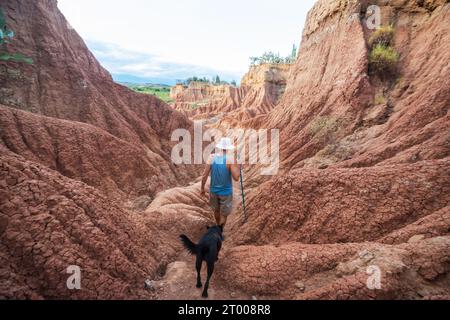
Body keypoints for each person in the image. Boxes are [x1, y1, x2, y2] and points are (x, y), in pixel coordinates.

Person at [201, 137, 241, 228]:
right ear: (228, 148)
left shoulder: (211, 157)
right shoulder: (230, 160)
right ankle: (220, 230)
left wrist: (202, 188)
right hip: (226, 193)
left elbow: (204, 175)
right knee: (224, 214)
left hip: (213, 191)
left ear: (219, 147)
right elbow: (236, 178)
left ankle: (217, 225)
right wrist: (238, 166)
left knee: (216, 211)